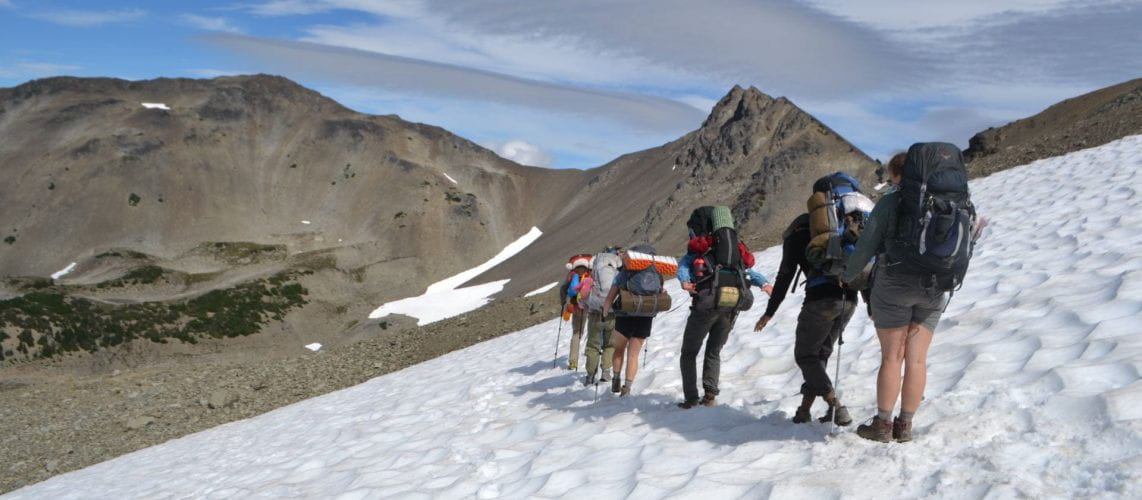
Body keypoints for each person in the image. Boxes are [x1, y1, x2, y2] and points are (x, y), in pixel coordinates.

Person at [845, 146, 979, 442]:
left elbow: (867, 245)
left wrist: (847, 275)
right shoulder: (955, 201)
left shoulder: (892, 202)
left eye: (893, 179)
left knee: (892, 358)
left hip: (895, 284)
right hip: (935, 286)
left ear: (899, 177)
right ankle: (904, 426)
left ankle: (882, 425)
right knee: (917, 360)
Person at [755, 172, 874, 426]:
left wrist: (770, 310)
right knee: (819, 356)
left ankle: (835, 405)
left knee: (806, 356)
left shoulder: (802, 226)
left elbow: (786, 272)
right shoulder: (857, 223)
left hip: (820, 299)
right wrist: (871, 304)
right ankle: (804, 410)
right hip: (849, 299)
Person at [676, 206, 772, 409]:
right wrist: (764, 284)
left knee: (689, 352)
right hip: (730, 308)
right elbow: (749, 271)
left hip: (706, 306)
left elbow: (684, 265)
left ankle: (691, 398)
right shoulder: (734, 251)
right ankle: (710, 396)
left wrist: (685, 282)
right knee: (714, 351)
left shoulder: (701, 248)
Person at [600, 245, 664, 397]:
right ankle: (627, 388)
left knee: (619, 350)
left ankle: (616, 378)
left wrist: (605, 313)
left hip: (624, 316)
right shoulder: (657, 274)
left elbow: (610, 297)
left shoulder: (625, 273)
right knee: (633, 355)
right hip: (645, 318)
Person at [581, 246, 622, 385]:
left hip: (595, 314)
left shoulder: (593, 275)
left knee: (593, 345)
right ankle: (606, 371)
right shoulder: (617, 269)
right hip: (612, 313)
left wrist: (587, 302)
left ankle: (590, 375)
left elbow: (583, 297)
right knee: (610, 344)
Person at [559, 255, 592, 370]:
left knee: (576, 333)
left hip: (575, 306)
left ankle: (573, 361)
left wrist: (564, 302)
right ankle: (591, 354)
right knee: (591, 330)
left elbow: (563, 289)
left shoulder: (572, 274)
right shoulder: (590, 272)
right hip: (589, 306)